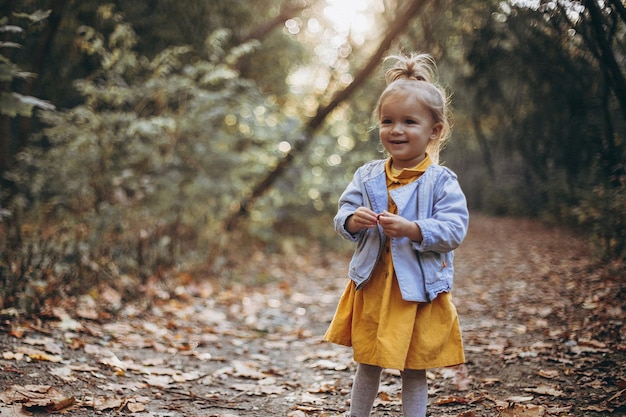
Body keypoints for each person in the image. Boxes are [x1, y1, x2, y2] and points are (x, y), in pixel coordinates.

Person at [324, 52, 469, 417]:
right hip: (374, 286)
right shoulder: (369, 175)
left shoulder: (440, 182)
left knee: (414, 365)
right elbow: (343, 214)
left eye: (409, 121)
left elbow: (454, 229)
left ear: (434, 131)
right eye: (387, 121)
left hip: (416, 290)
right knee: (368, 360)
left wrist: (415, 229)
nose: (396, 130)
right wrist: (353, 221)